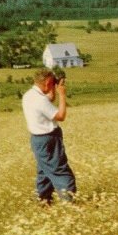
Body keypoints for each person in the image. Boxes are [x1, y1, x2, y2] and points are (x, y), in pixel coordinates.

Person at [22, 68, 76, 203]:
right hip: (49, 139)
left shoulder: (29, 95)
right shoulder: (40, 100)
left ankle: (44, 202)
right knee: (61, 171)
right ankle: (69, 204)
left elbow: (49, 99)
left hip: (38, 140)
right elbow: (61, 116)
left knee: (44, 172)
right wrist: (62, 94)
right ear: (47, 82)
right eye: (52, 83)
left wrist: (54, 88)